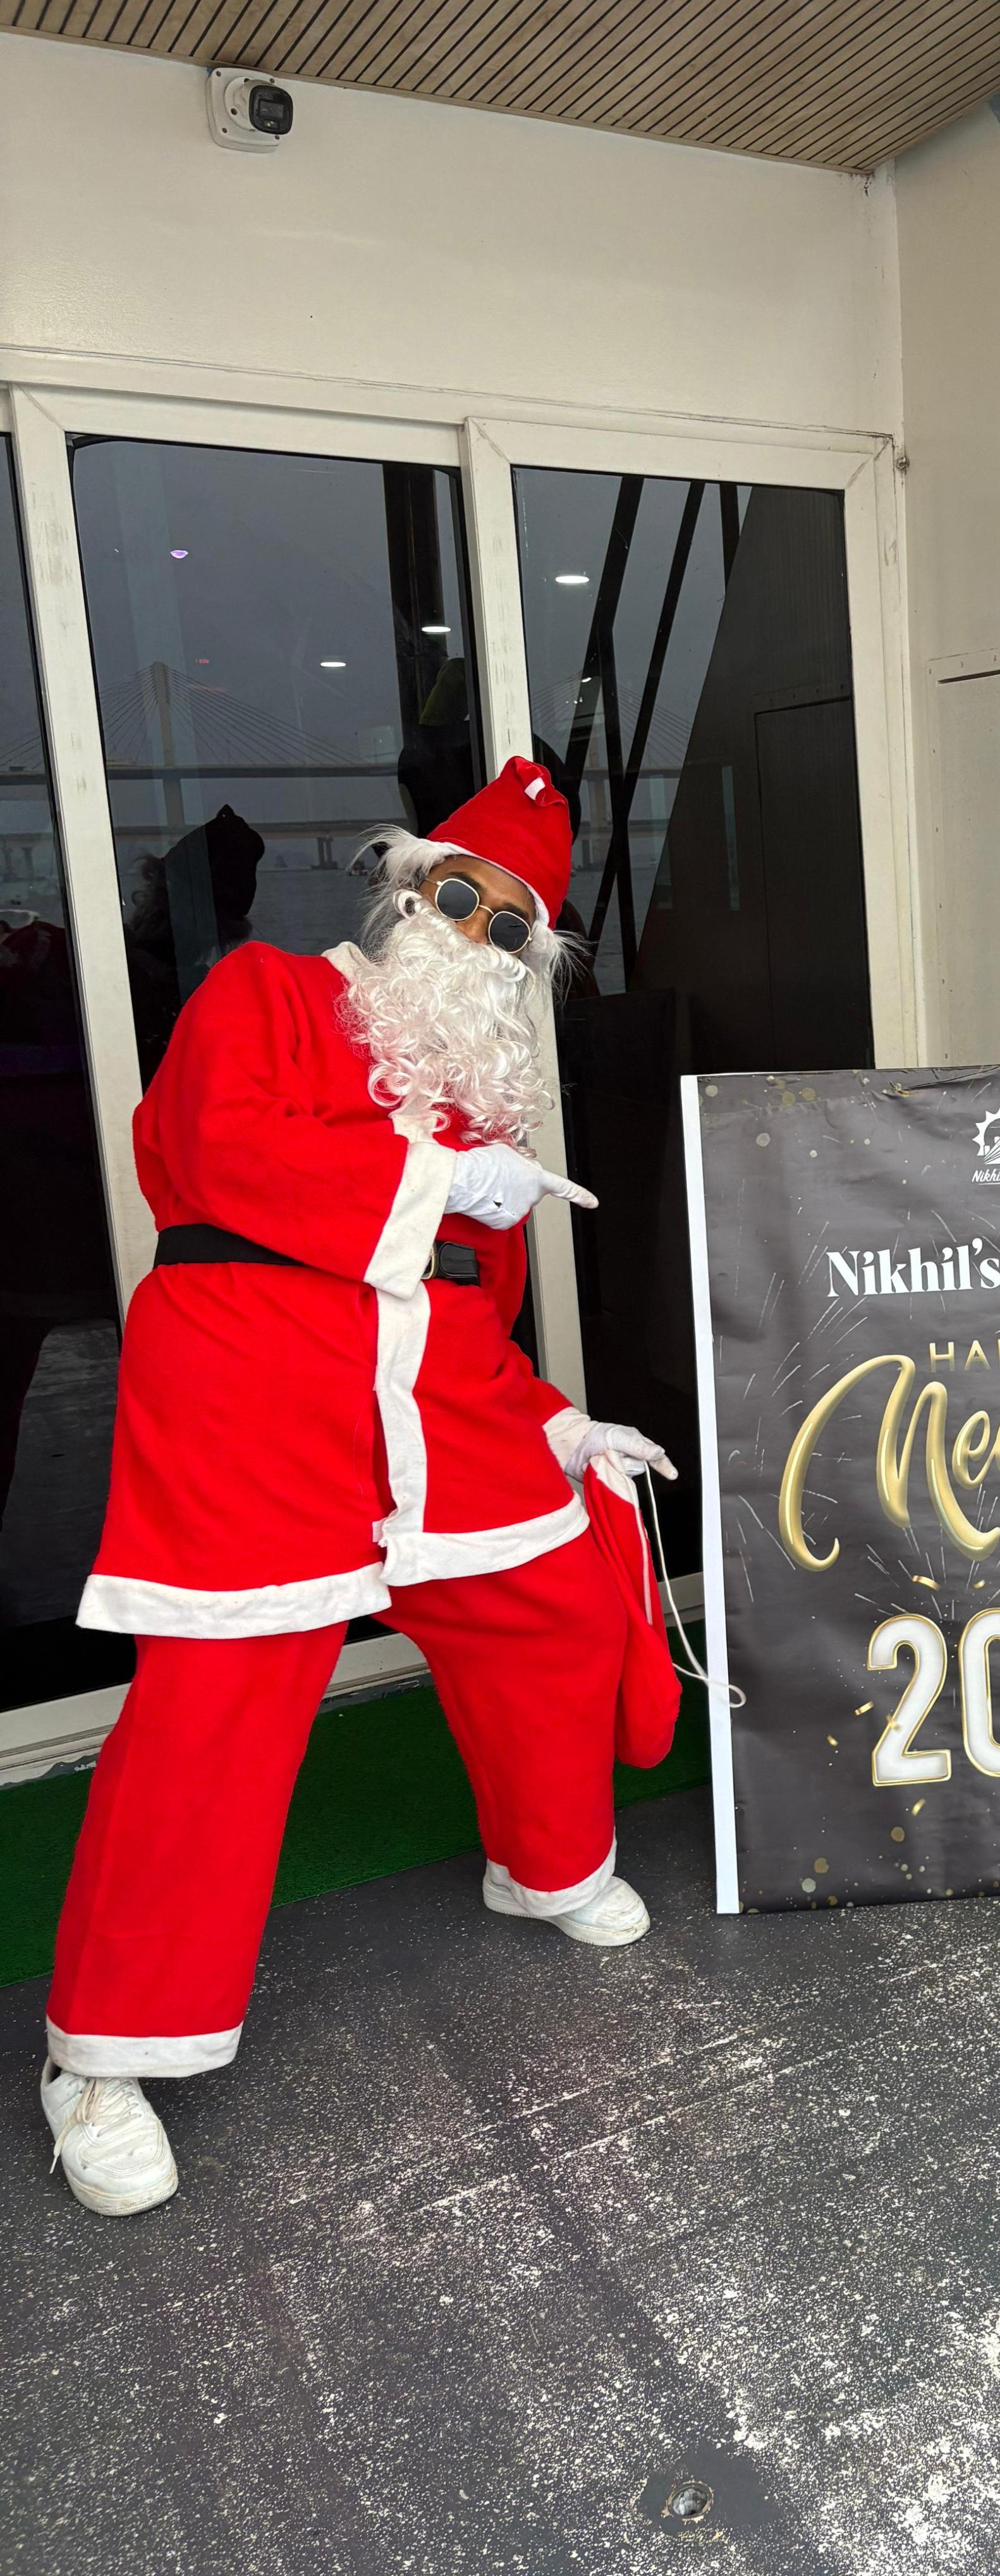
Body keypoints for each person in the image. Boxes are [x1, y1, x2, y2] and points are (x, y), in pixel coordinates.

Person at [42, 756, 676, 2216]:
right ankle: (100, 2055)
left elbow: (470, 1320)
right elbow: (216, 1147)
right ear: (403, 887)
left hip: (437, 1422)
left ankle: (546, 1860)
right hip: (255, 1405)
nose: (477, 934)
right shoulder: (263, 992)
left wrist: (559, 1425)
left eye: (512, 926)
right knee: (212, 1711)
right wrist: (434, 1180)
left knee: (556, 1602)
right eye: (459, 896)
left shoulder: (482, 1114)